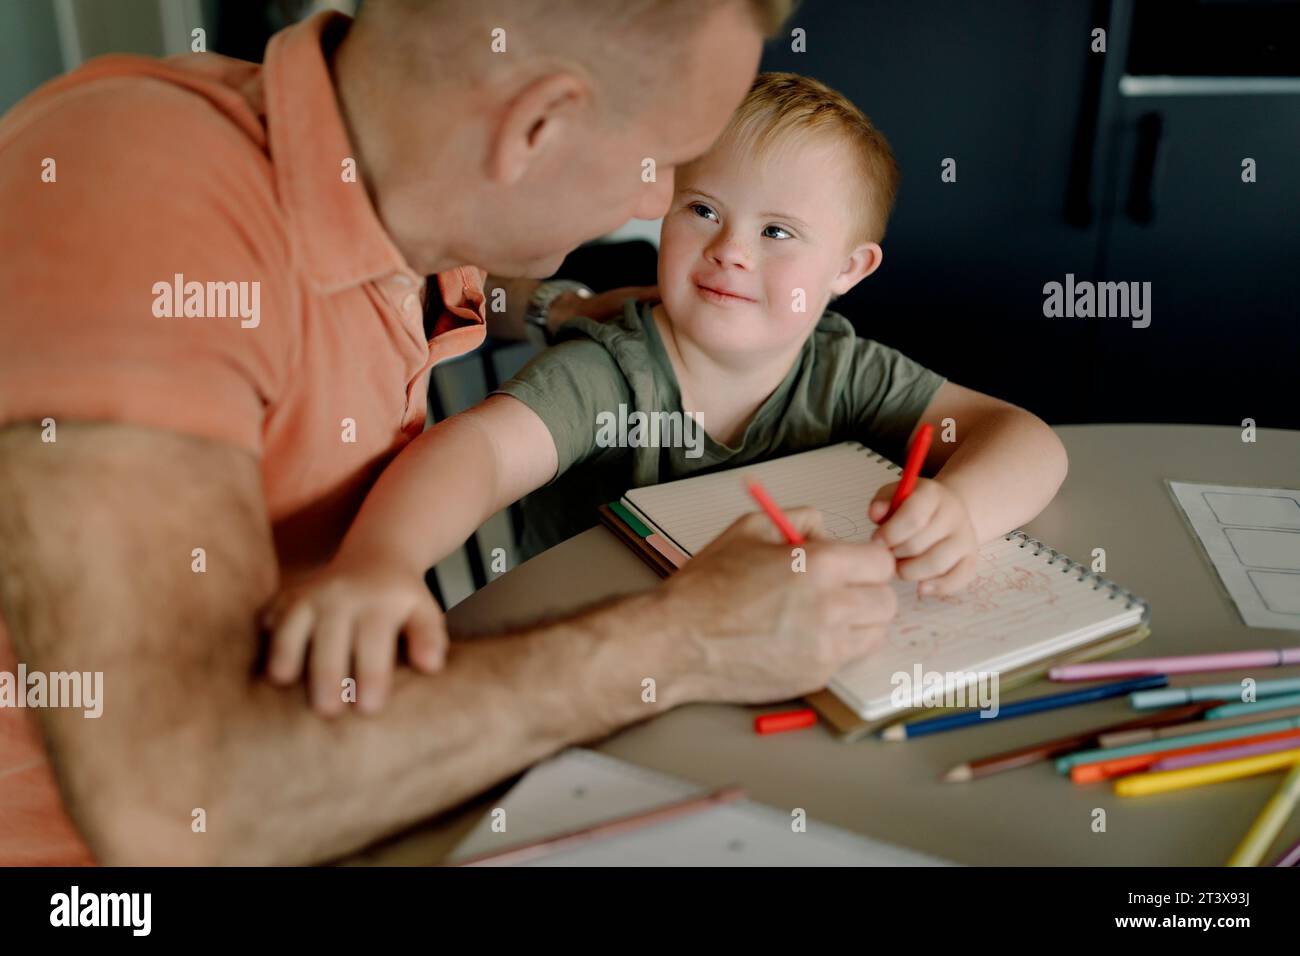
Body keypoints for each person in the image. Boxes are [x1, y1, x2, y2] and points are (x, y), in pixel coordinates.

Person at [0, 0, 908, 866]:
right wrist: (690, 639)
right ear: (538, 129)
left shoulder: (391, 174)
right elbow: (180, 810)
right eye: (668, 158)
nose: (663, 196)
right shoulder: (138, 202)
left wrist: (560, 307)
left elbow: (448, 270)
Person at [265, 71, 1070, 714]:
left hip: (777, 669)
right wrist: (381, 561)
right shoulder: (611, 371)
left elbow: (1023, 437)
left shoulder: (844, 370)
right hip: (596, 676)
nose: (728, 251)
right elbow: (473, 452)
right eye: (703, 209)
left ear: (849, 271)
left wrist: (965, 510)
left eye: (777, 231)